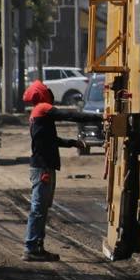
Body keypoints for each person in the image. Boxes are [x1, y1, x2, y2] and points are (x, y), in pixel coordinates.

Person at [22, 80, 86, 261]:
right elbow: (69, 116)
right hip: (43, 167)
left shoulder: (38, 113)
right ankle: (31, 247)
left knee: (42, 208)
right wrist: (99, 117)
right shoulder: (43, 108)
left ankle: (37, 247)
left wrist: (73, 142)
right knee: (38, 208)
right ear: (43, 94)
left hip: (44, 166)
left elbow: (52, 140)